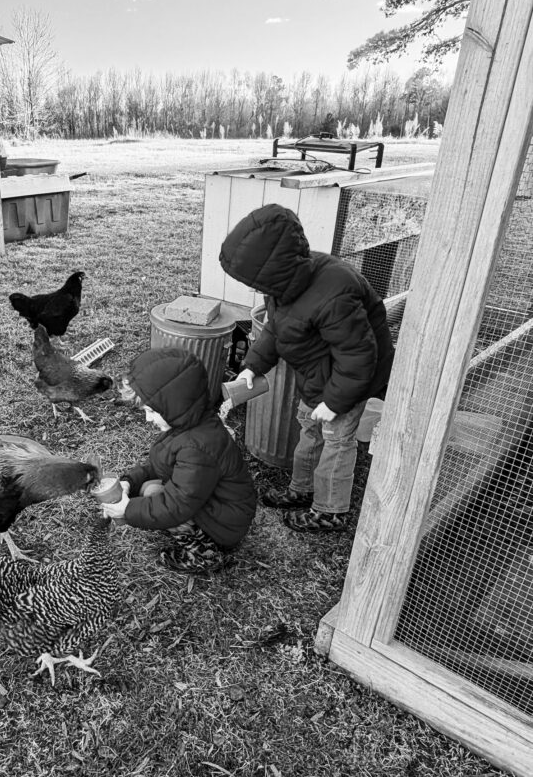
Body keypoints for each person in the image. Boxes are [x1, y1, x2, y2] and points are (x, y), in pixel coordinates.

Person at [219, 203, 393, 533]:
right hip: (319, 375)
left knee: (337, 440)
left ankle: (331, 510)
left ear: (277, 269)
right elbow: (275, 328)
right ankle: (301, 489)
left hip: (350, 381)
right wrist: (253, 366)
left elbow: (358, 356)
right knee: (308, 430)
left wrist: (335, 402)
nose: (256, 289)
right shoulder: (284, 287)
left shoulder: (334, 291)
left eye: (258, 281)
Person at [101, 347, 257, 573]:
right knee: (147, 488)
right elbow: (159, 467)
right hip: (217, 507)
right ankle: (198, 536)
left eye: (152, 411)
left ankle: (205, 555)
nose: (147, 418)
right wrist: (129, 482)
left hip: (226, 524)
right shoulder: (189, 425)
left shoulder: (198, 448)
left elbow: (176, 506)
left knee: (155, 495)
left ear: (175, 404)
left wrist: (128, 510)